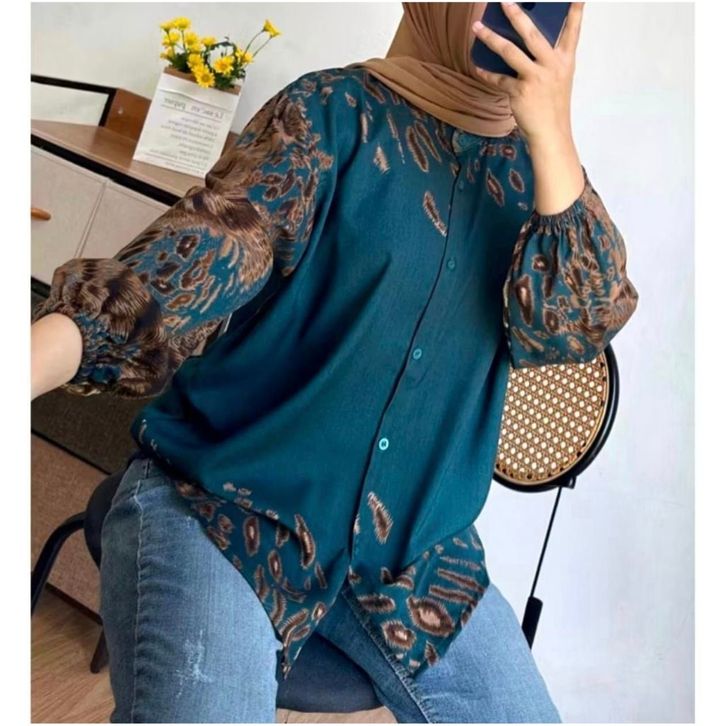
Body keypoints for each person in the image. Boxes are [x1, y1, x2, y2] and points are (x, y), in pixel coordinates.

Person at [31, 2, 638, 722]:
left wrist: (553, 133)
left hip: (417, 558)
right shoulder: (329, 114)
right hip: (223, 507)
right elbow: (189, 266)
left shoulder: (541, 182)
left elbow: (572, 330)